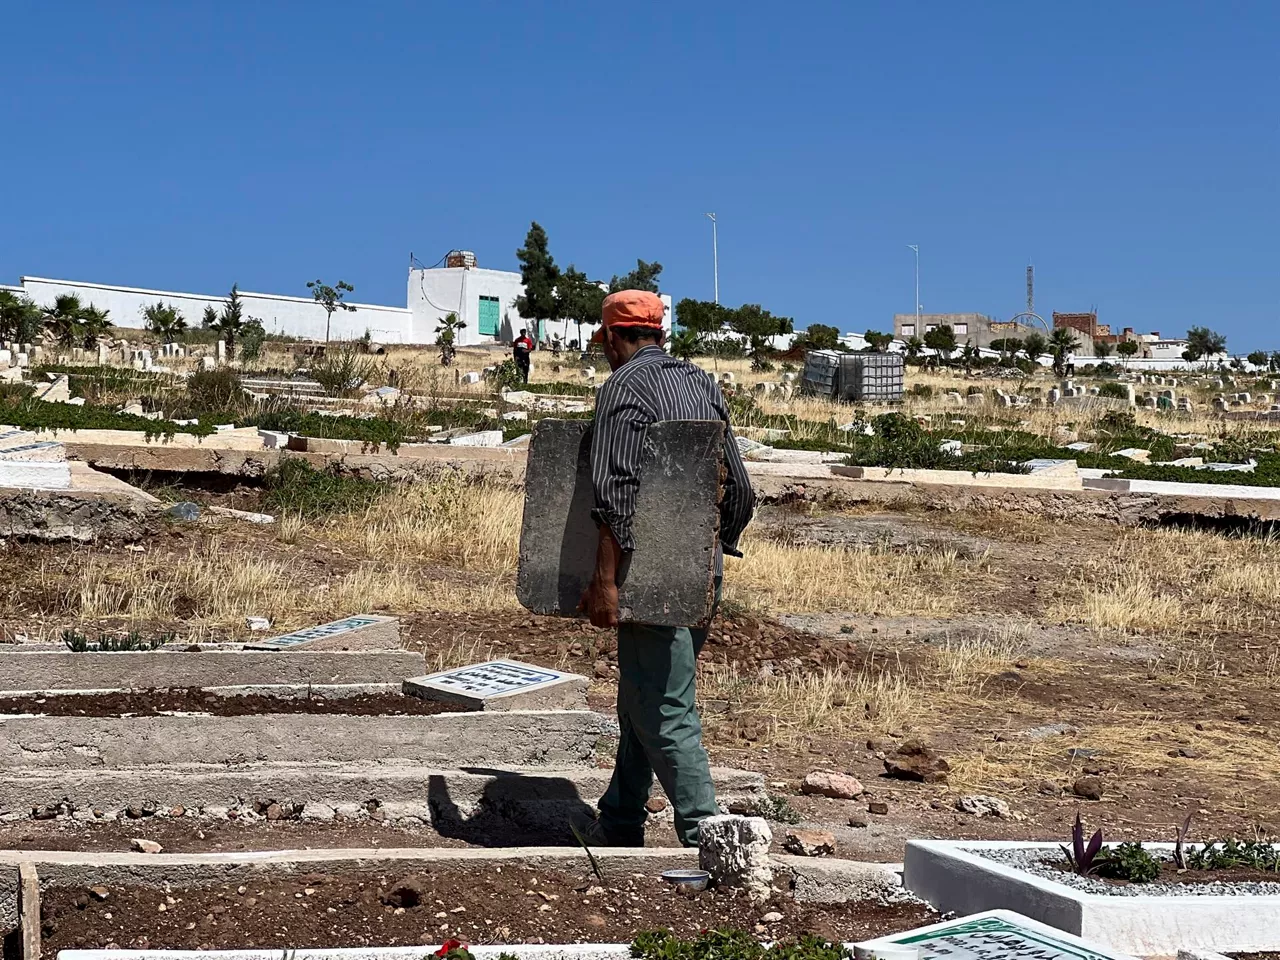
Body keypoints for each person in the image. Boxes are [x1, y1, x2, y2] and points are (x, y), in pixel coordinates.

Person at [578, 289, 755, 848]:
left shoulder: (623, 387)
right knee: (646, 691)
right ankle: (622, 817)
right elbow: (740, 488)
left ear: (611, 336)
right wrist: (711, 548)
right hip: (702, 562)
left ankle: (711, 837)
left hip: (644, 569)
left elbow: (613, 493)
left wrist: (606, 579)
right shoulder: (701, 383)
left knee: (662, 703)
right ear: (660, 333)